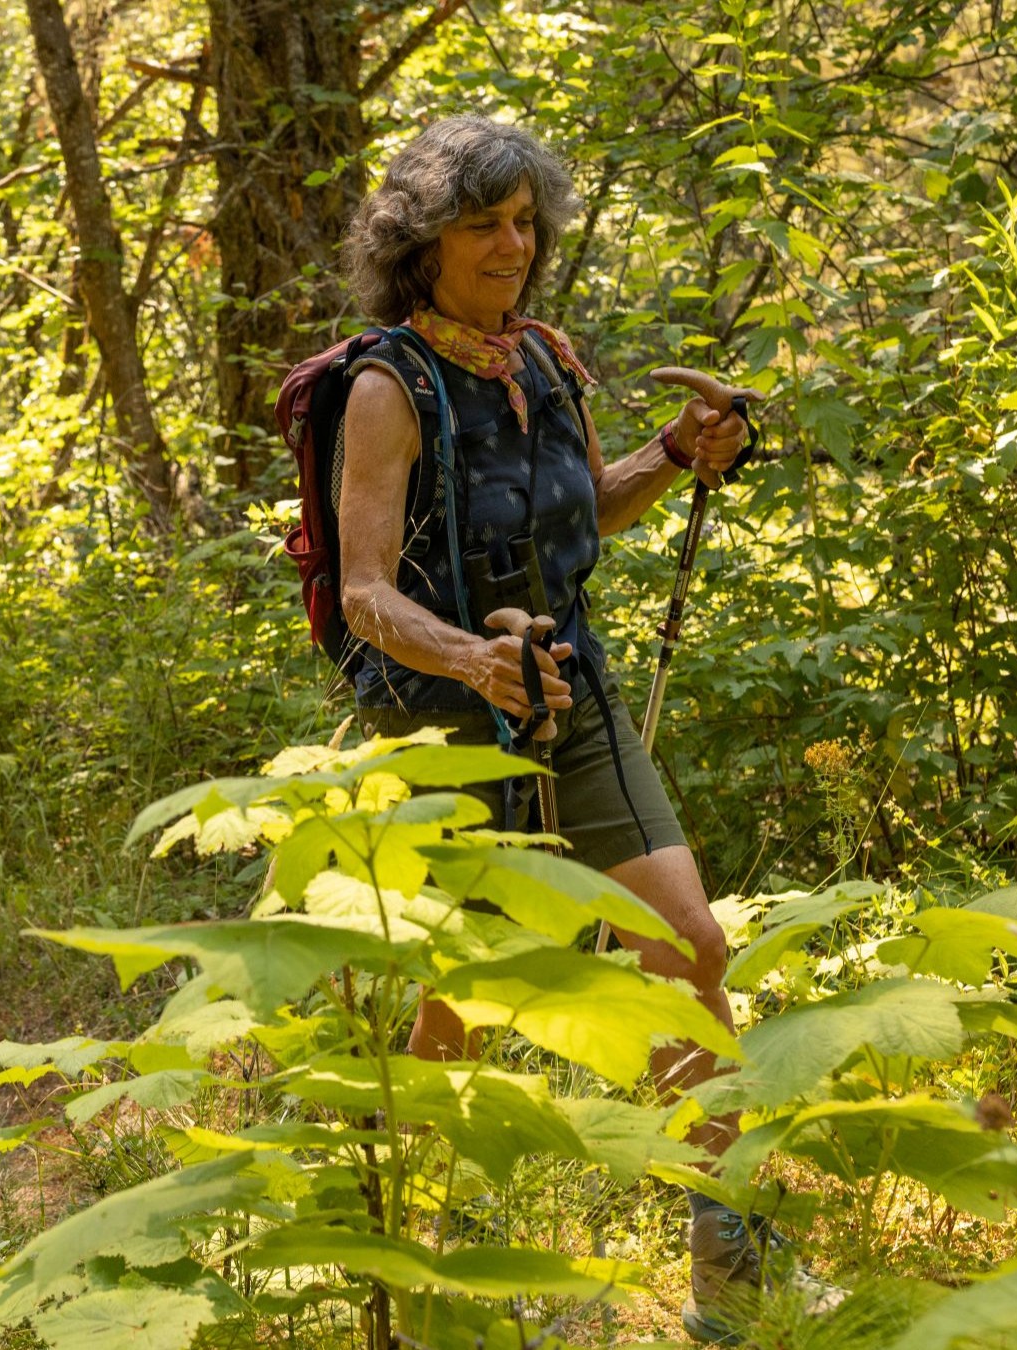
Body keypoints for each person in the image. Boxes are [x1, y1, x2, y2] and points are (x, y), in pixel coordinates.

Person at [333, 116, 841, 1342]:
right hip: (443, 718)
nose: (513, 245)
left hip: (572, 690)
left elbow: (590, 515)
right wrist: (473, 657)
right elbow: (364, 593)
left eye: (526, 223)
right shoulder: (387, 386)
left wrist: (677, 453)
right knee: (464, 1002)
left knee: (690, 945)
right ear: (424, 239)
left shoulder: (544, 363)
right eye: (484, 224)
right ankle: (404, 1267)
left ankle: (728, 1264)